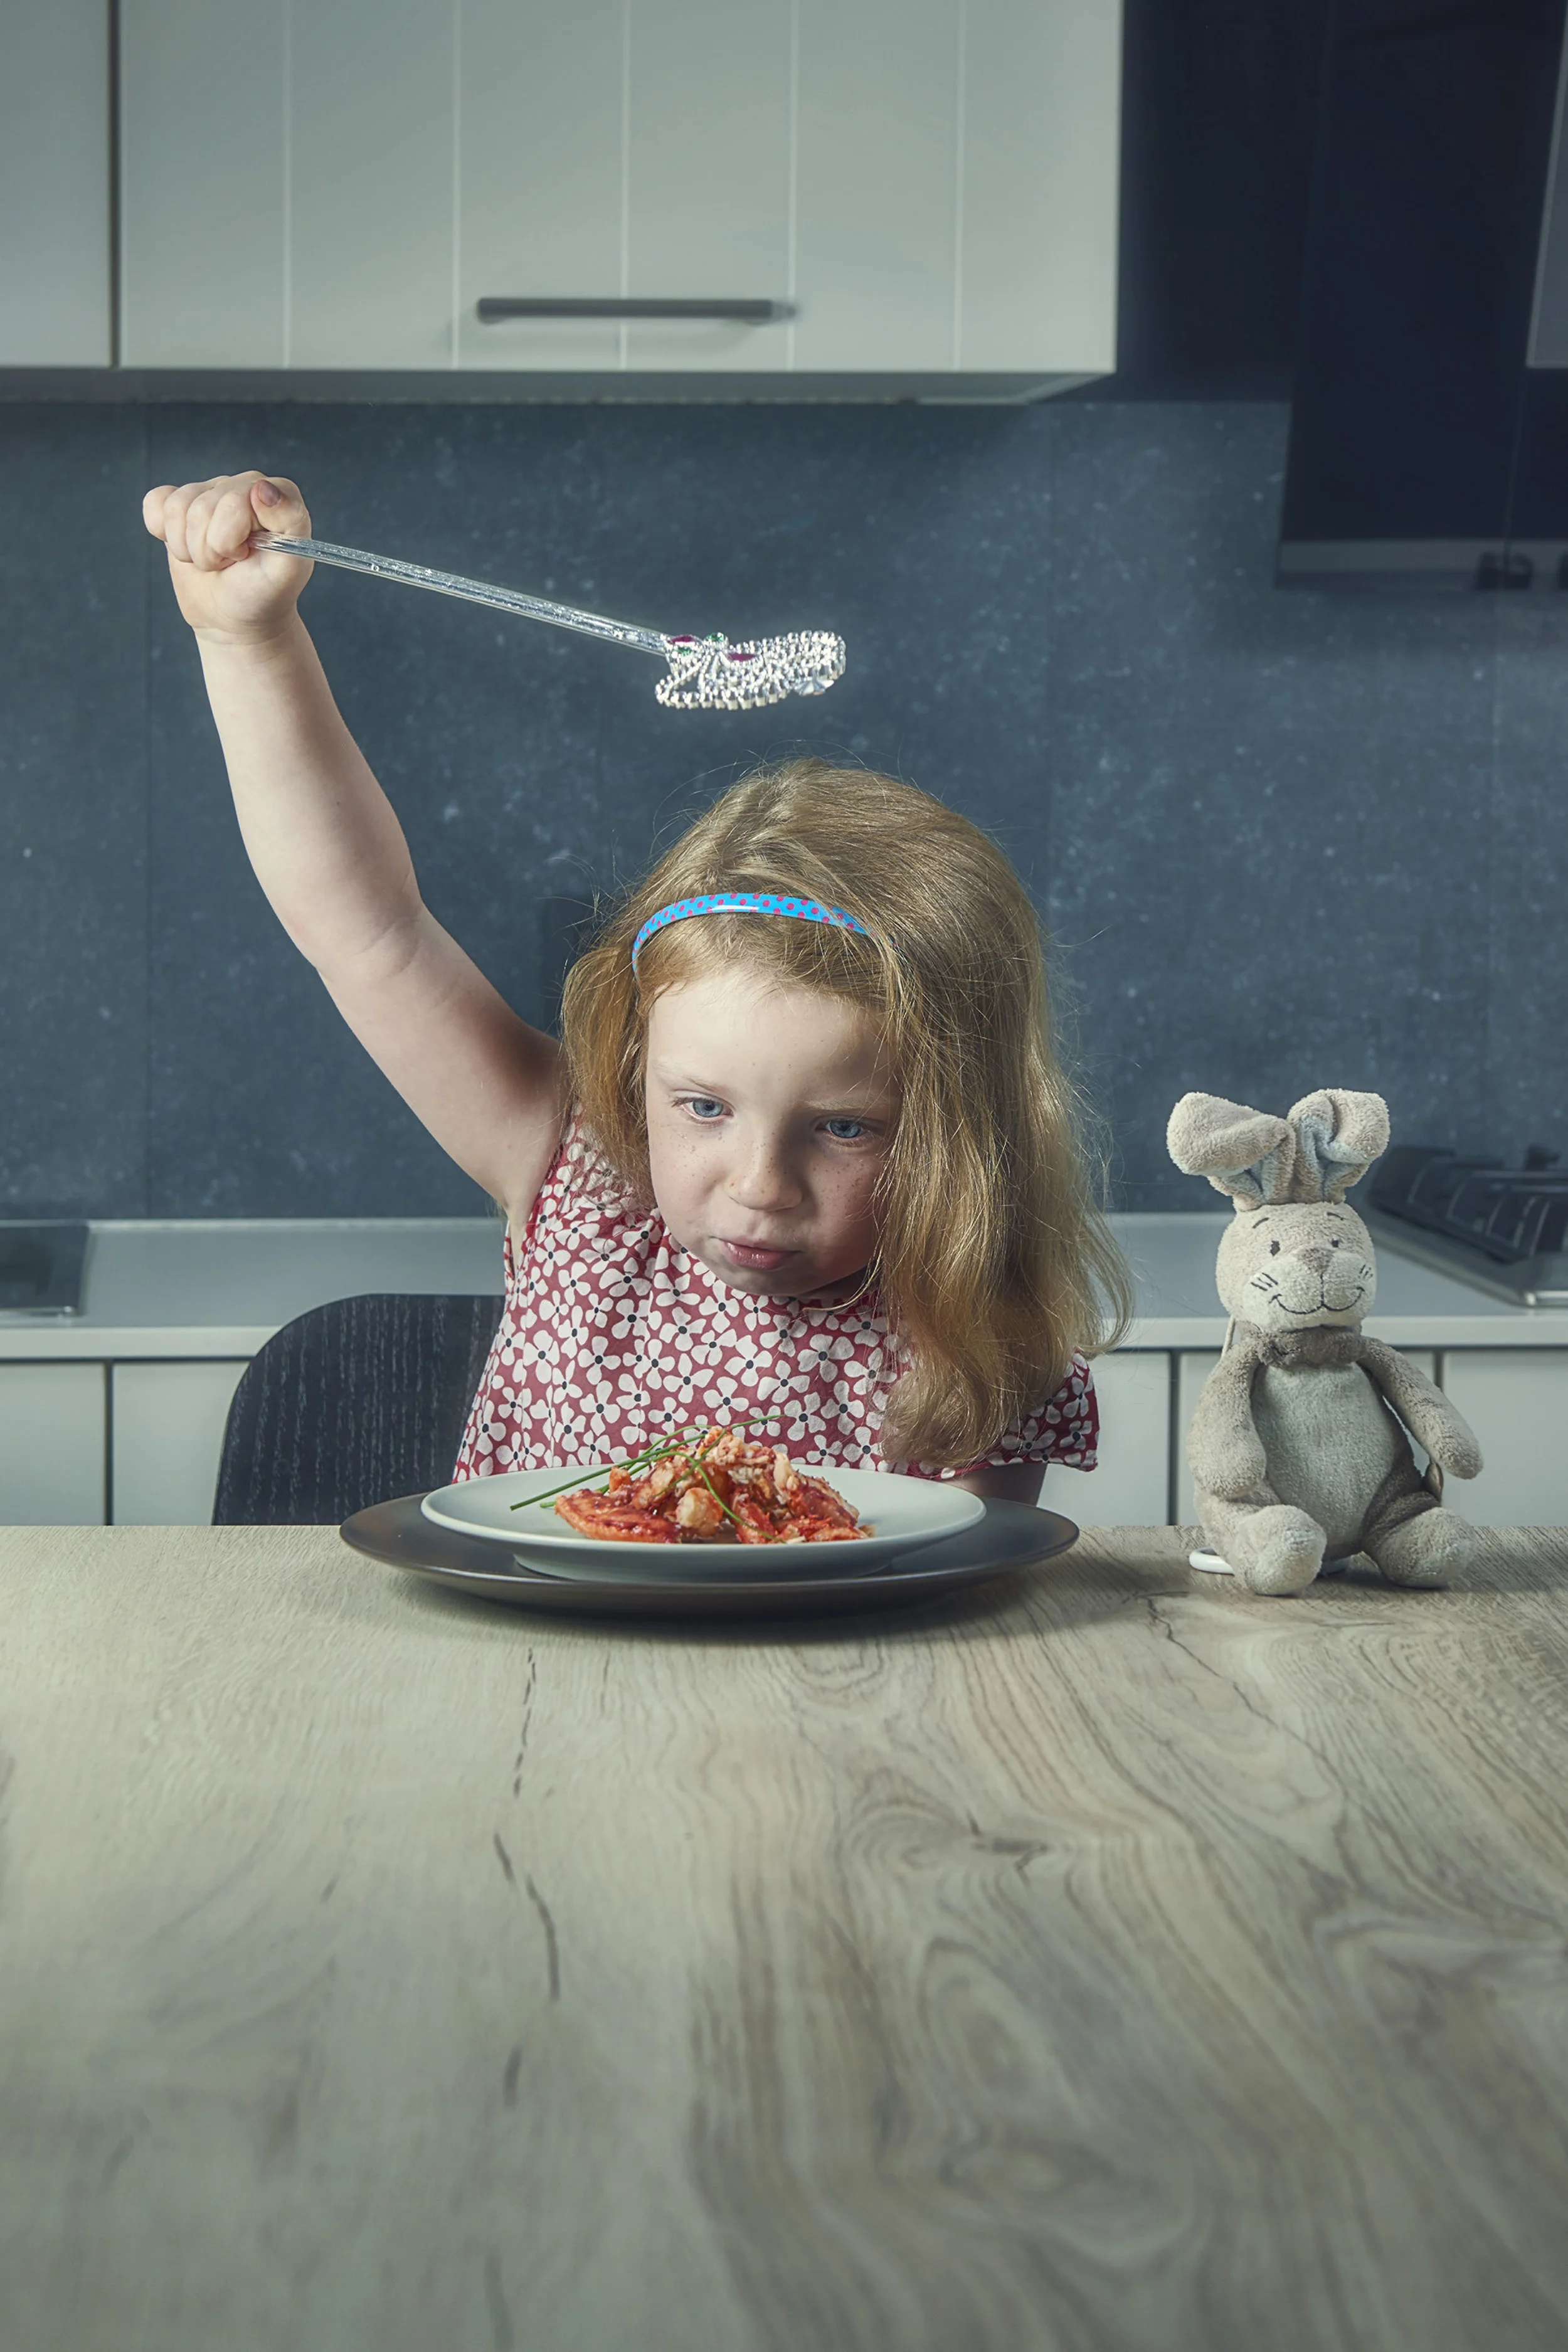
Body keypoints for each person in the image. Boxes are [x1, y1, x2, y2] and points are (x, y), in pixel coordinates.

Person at [144, 469, 1131, 1503]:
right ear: (638, 1065)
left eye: (844, 1128)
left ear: (957, 1125)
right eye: (702, 1107)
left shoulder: (974, 1320)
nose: (758, 1184)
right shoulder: (572, 1164)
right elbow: (369, 930)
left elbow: (944, 1611)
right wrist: (246, 644)